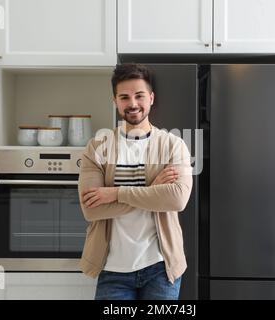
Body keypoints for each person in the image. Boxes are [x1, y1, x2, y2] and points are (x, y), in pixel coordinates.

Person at [78, 63, 193, 300]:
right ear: (115, 101)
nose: (132, 103)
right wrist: (152, 190)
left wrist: (115, 193)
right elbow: (91, 209)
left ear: (151, 98)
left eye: (139, 95)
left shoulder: (173, 145)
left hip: (161, 267)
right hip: (112, 269)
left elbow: (177, 199)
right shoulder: (97, 147)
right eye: (124, 97)